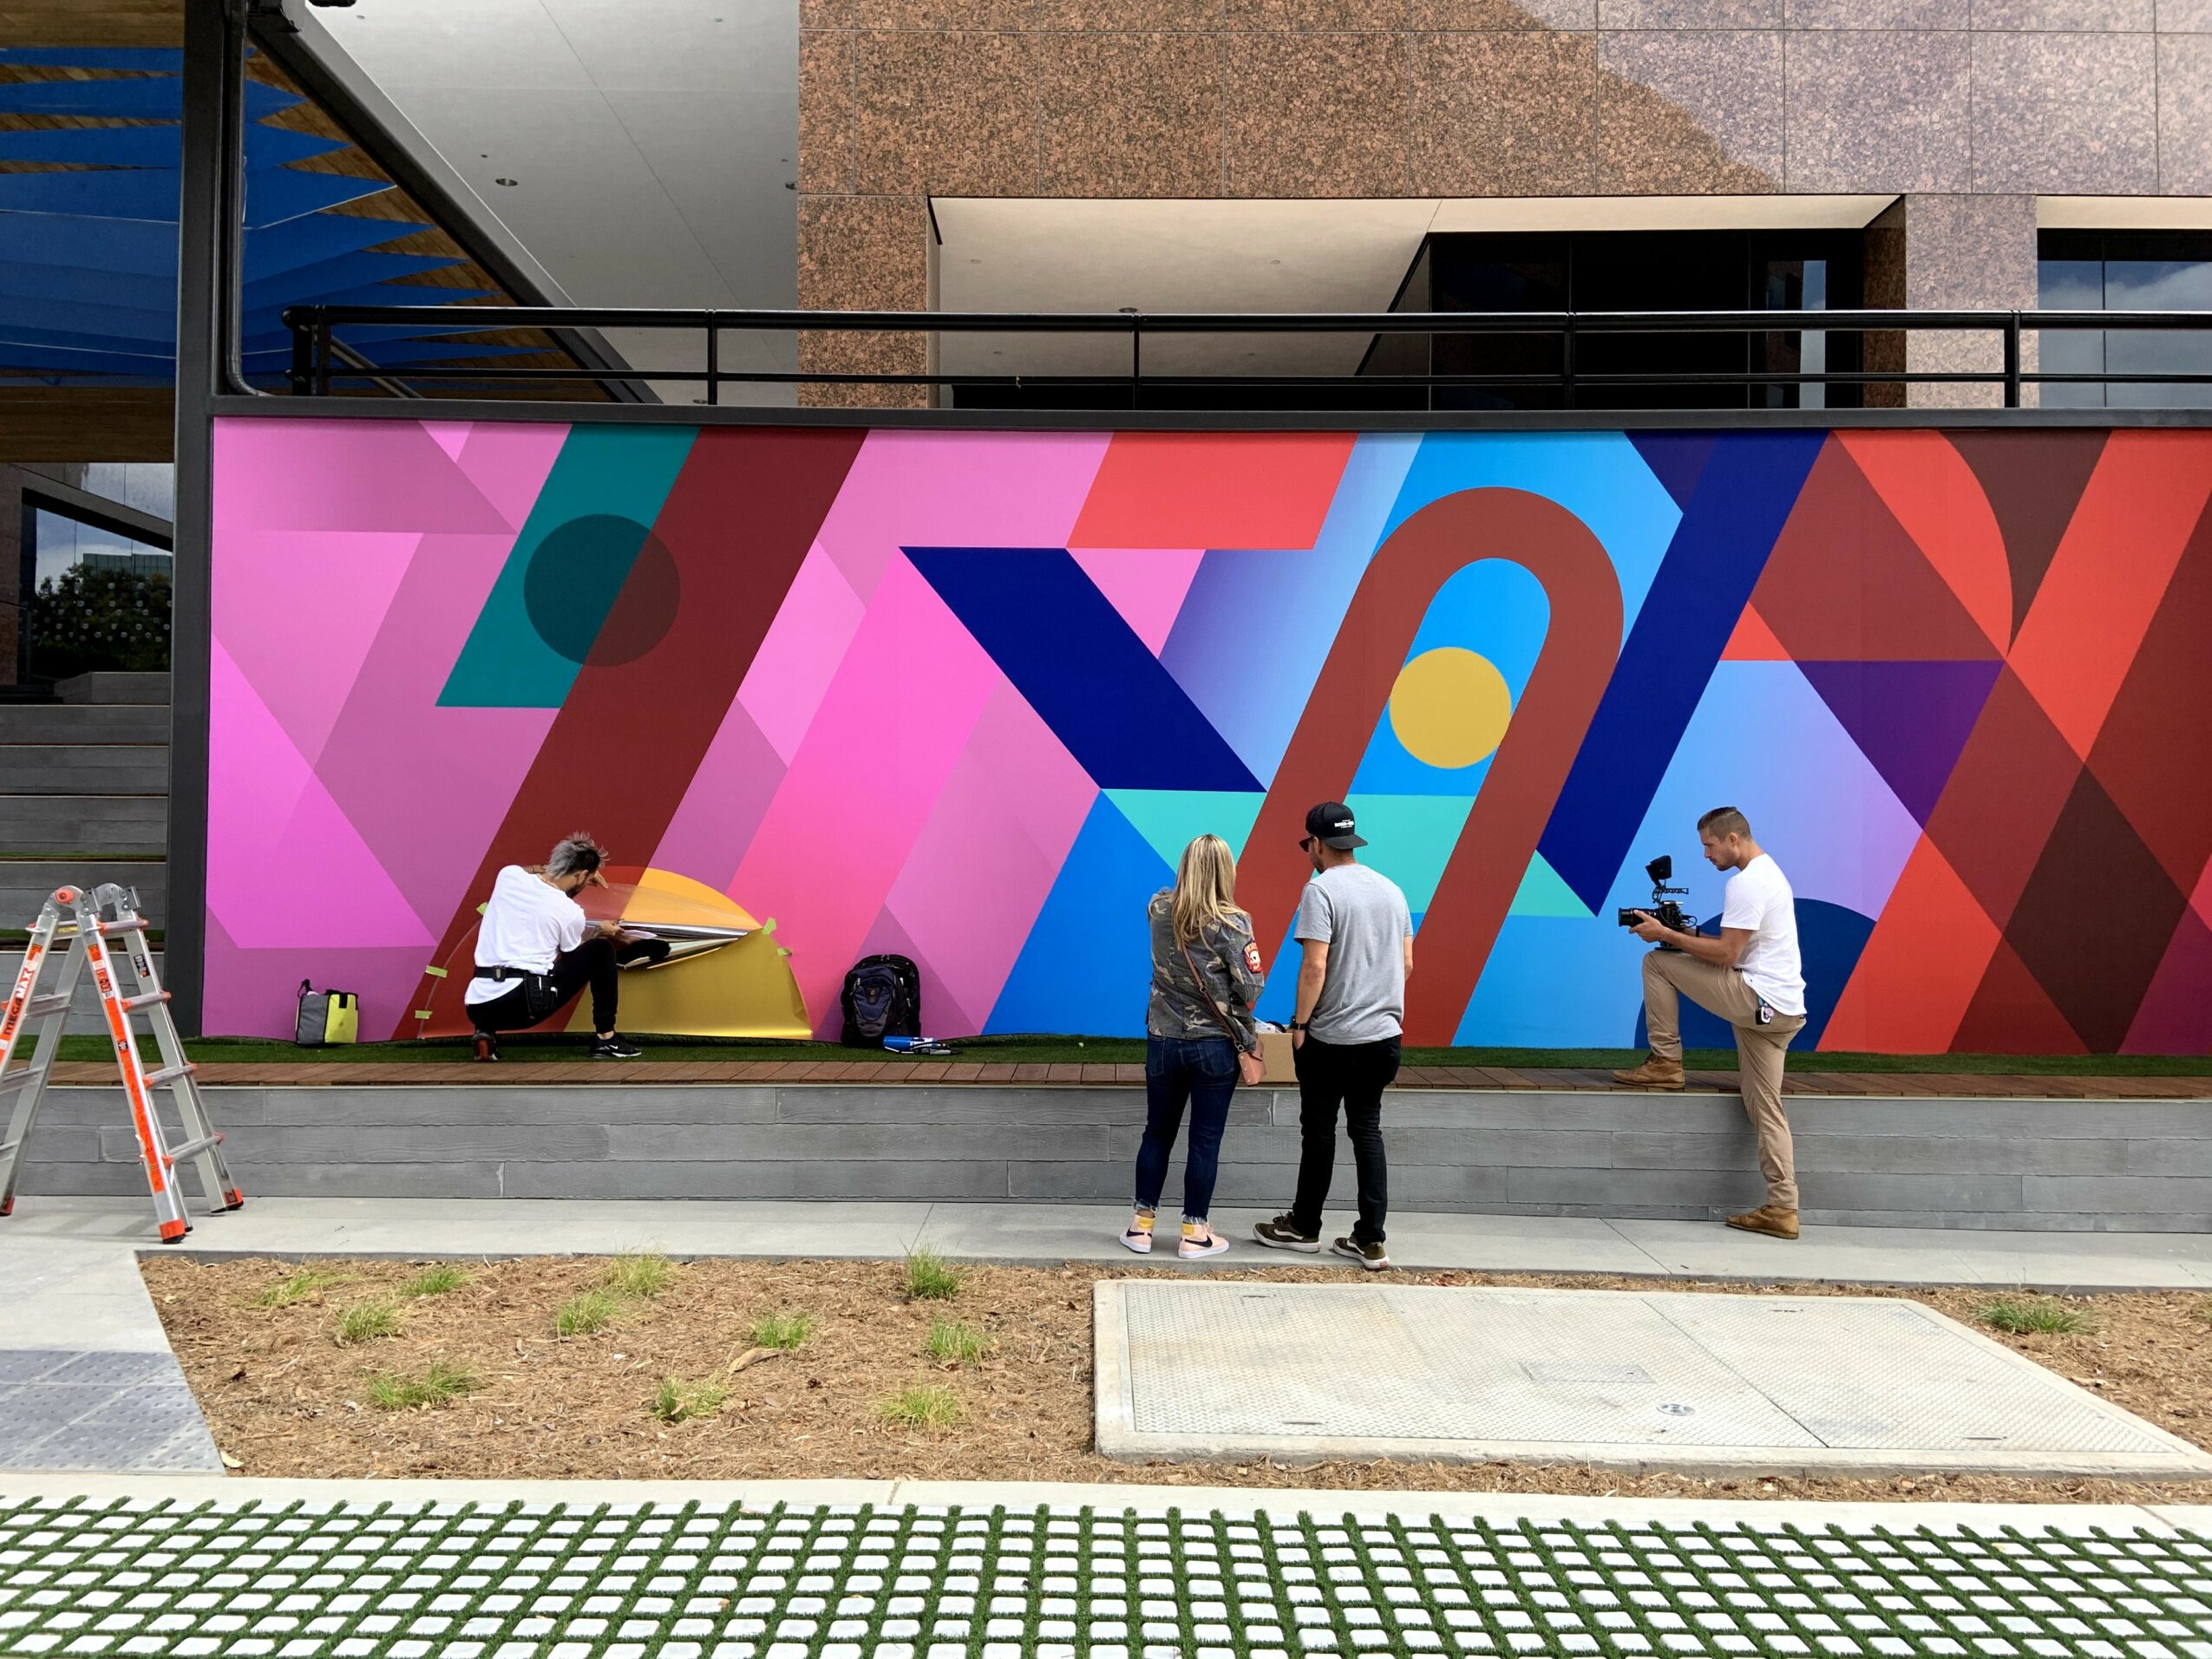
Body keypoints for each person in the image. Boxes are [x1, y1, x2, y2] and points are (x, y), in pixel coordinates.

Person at [1614, 806, 1808, 1240]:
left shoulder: (1745, 883)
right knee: (1766, 1108)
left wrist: (1666, 937)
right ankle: (1783, 1208)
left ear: (1733, 839)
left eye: (1709, 844)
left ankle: (1666, 1062)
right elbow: (1731, 944)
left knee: (1657, 964)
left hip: (1759, 1000)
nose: (1705, 854)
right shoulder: (1769, 873)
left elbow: (1727, 957)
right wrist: (1680, 930)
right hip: (1783, 1011)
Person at [1254, 802, 1412, 1270]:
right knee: (1367, 1130)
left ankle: (1304, 1227)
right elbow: (1406, 964)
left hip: (1331, 1038)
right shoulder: (1392, 891)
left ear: (1318, 844)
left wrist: (1300, 1025)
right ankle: (1371, 1239)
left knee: (1319, 1131)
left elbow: (1315, 965)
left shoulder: (1319, 891)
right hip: (1384, 1036)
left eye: (1308, 845)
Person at [1123, 833, 1266, 1261]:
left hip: (1163, 1040)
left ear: (1185, 866)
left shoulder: (1158, 910)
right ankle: (1194, 1232)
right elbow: (1252, 985)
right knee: (1204, 1140)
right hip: (1213, 1047)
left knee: (1157, 1133)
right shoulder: (1234, 923)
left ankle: (1141, 1226)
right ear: (1226, 871)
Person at [465, 832, 661, 1061]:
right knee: (601, 950)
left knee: (497, 951)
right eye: (588, 880)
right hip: (525, 1006)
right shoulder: (569, 912)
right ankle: (606, 1039)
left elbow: (532, 870)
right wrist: (602, 932)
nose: (588, 884)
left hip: (478, 1005)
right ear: (580, 875)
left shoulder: (508, 877)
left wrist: (573, 869)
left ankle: (485, 1032)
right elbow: (573, 956)